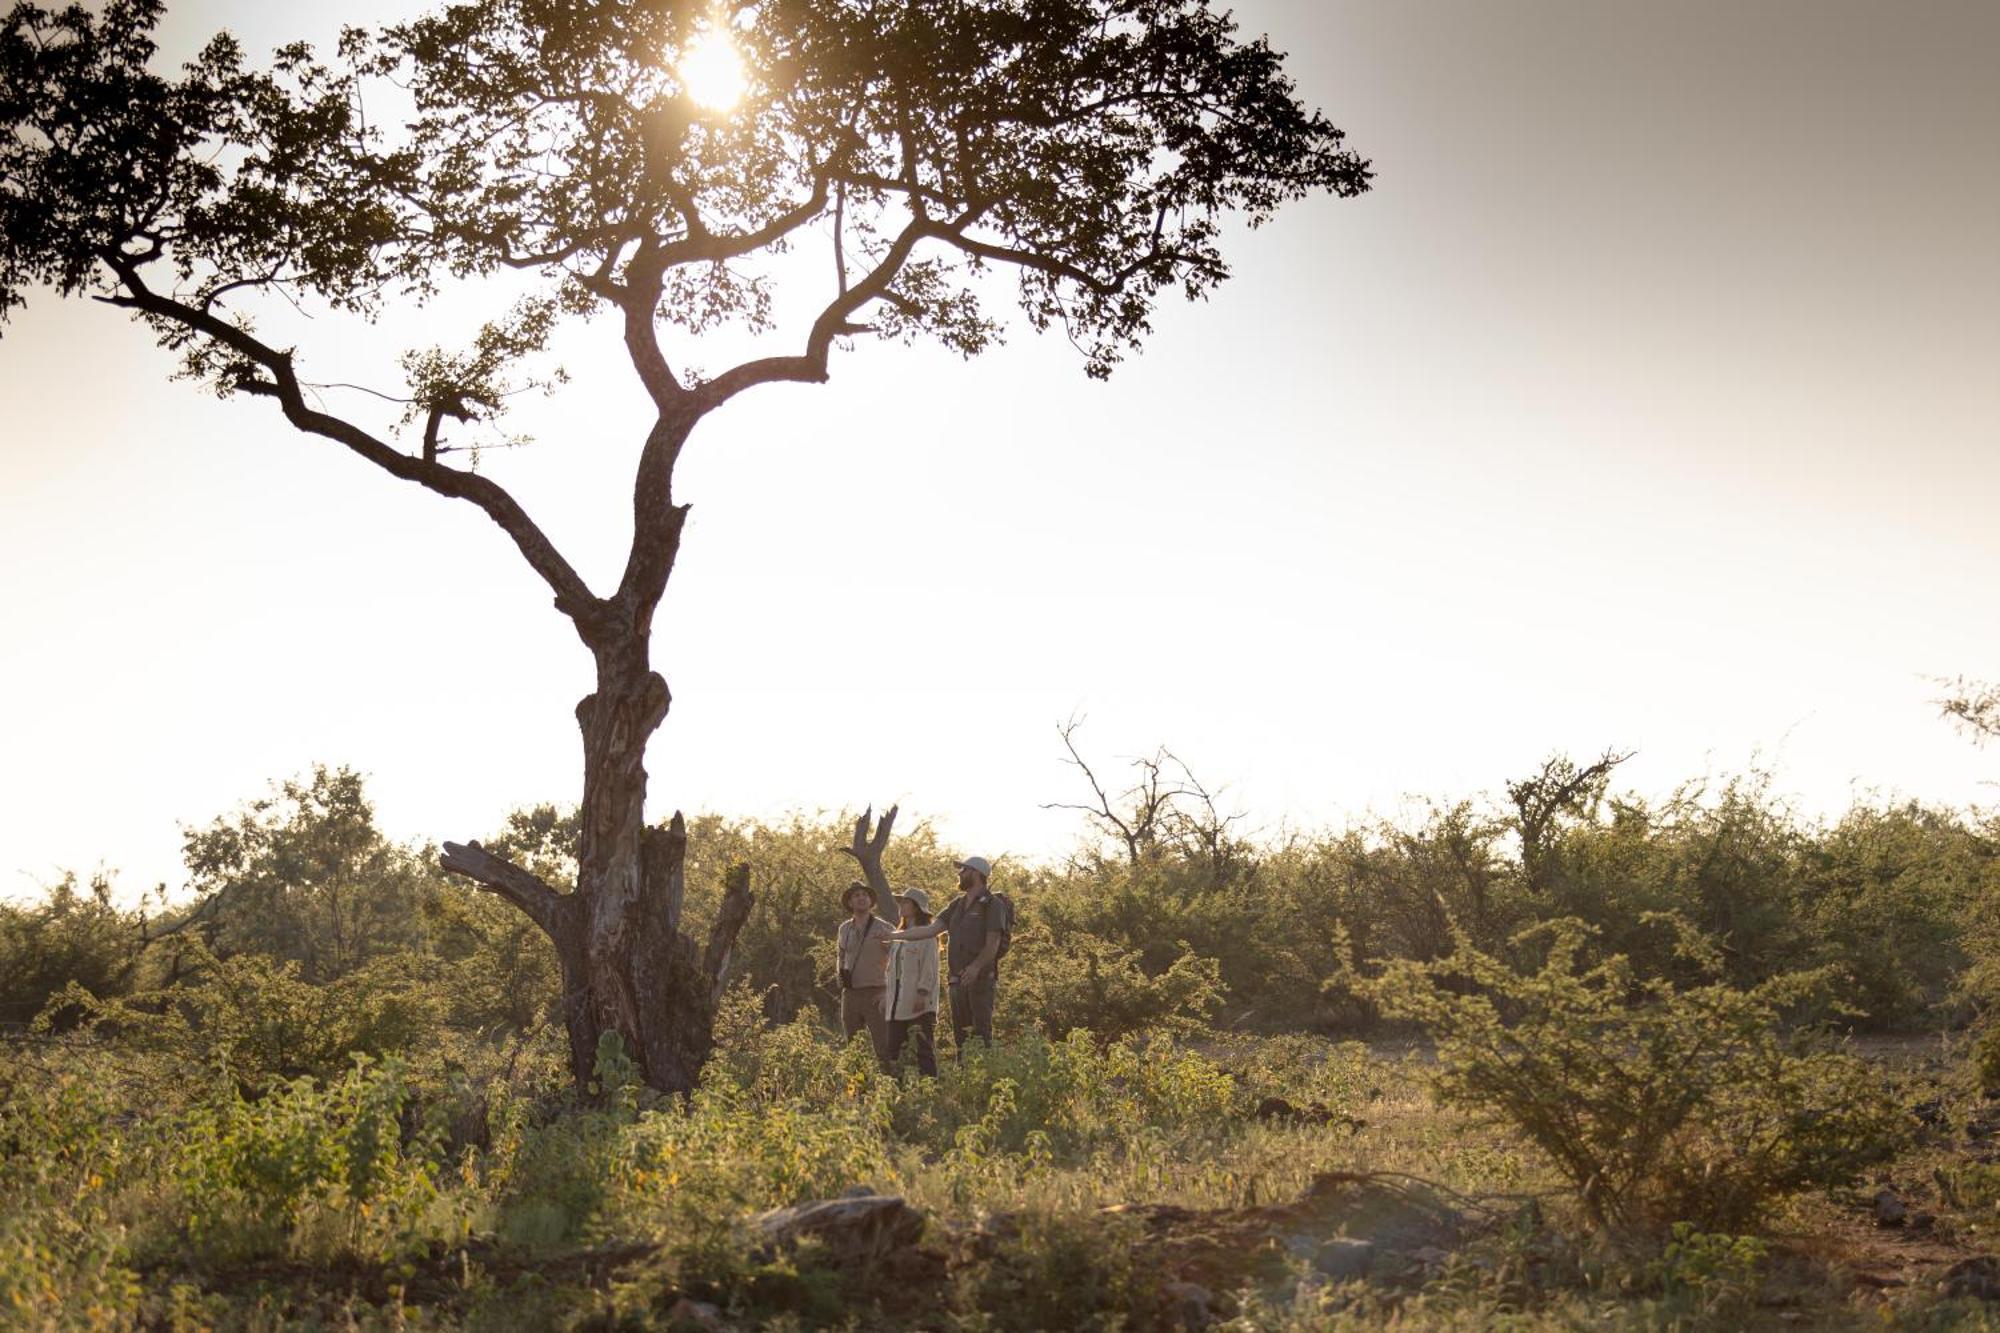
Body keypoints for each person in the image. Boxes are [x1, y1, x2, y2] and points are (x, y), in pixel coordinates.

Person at [889, 855, 1012, 1053]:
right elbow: (930, 930)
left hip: (980, 980)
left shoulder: (993, 905)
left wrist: (975, 967)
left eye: (964, 870)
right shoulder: (957, 904)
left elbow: (993, 944)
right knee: (961, 1038)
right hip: (956, 981)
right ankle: (964, 1079)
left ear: (977, 873)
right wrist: (893, 935)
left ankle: (984, 1079)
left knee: (981, 1035)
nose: (960, 874)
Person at [882, 888, 940, 1076]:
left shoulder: (927, 935)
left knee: (923, 1049)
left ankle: (930, 1089)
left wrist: (922, 995)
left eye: (906, 902)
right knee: (894, 1051)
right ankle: (895, 1093)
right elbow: (892, 970)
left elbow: (929, 967)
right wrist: (886, 995)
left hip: (918, 1003)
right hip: (896, 1003)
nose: (901, 906)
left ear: (917, 908)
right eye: (901, 902)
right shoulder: (898, 935)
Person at [835, 880, 892, 1065]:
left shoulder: (885, 927)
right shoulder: (844, 929)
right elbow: (841, 955)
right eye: (856, 896)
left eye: (864, 895)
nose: (861, 898)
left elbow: (897, 961)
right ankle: (858, 1091)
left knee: (883, 1045)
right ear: (850, 903)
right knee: (853, 1046)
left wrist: (889, 992)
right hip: (850, 994)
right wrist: (840, 977)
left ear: (870, 901)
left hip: (876, 992)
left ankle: (890, 1085)